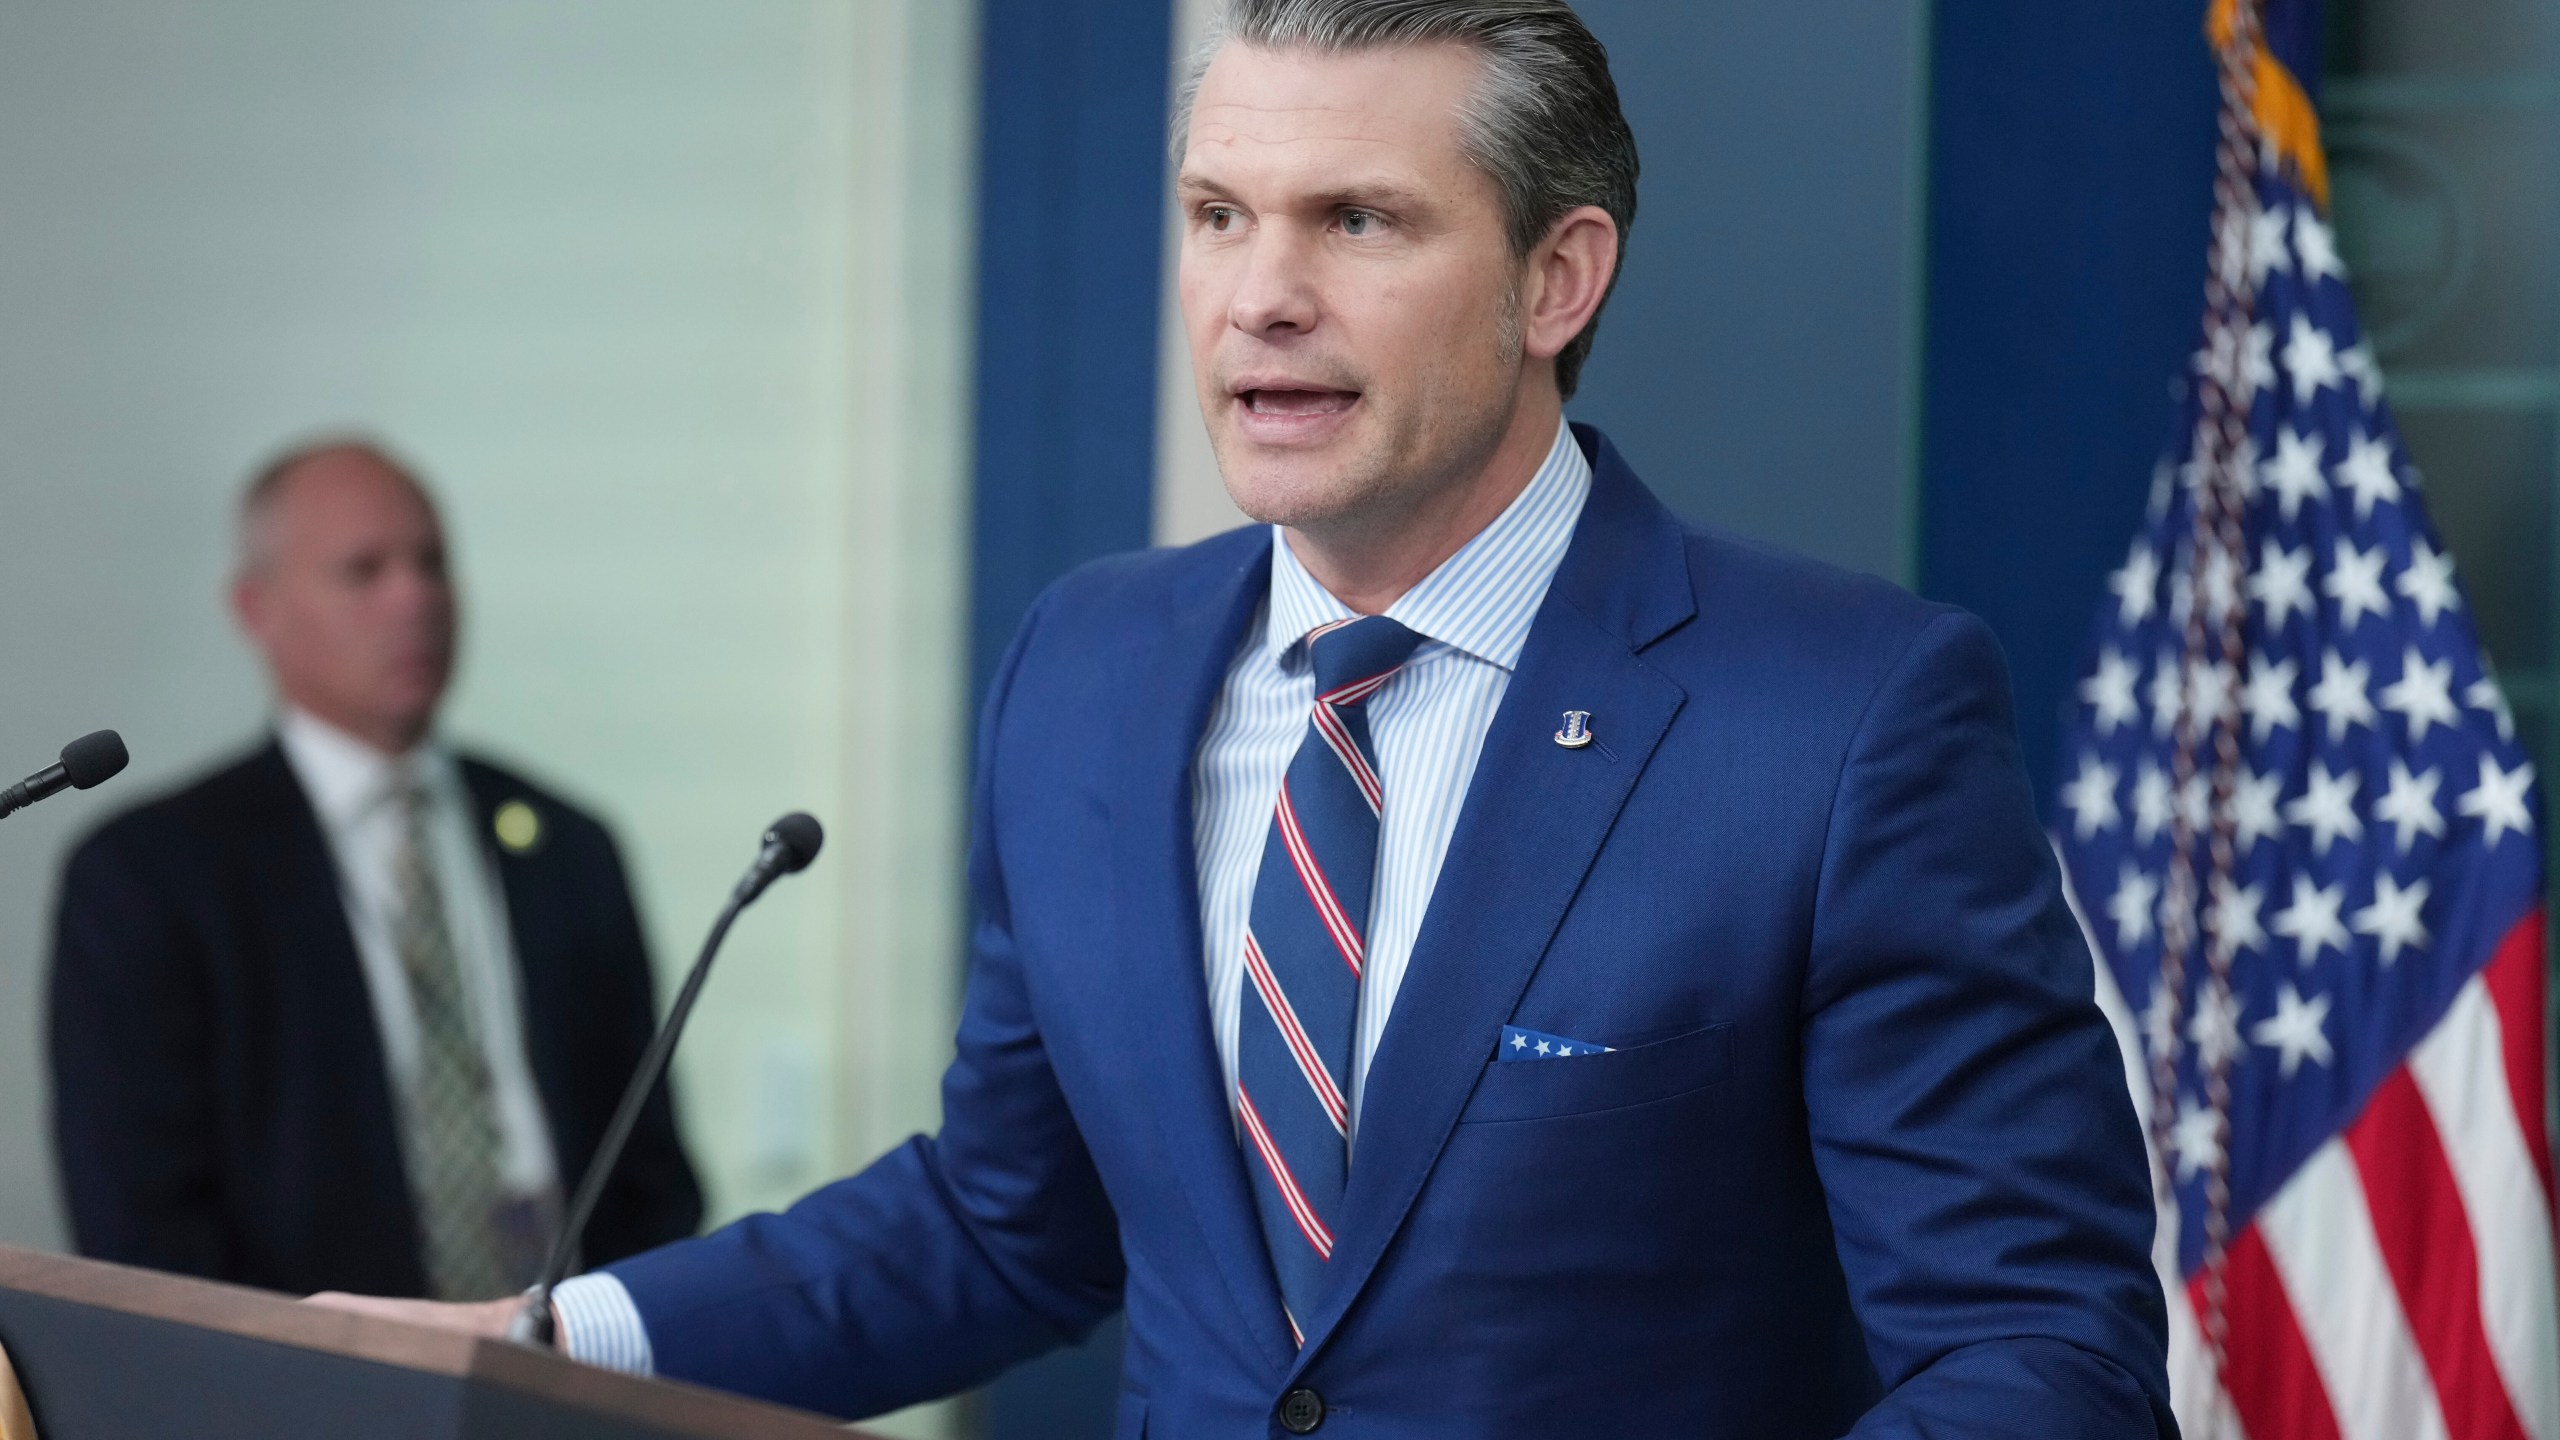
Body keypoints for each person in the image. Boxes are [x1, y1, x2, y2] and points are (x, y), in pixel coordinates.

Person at [318, 2, 2175, 1434]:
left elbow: (2034, 1347)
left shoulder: (1843, 716)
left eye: (1358, 219)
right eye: (1219, 215)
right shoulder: (1091, 666)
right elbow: (1004, 1218)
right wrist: (549, 1342)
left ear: (1559, 277)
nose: (1261, 296)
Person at [50, 440, 701, 1301]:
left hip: (570, 1377)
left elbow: (650, 1172)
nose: (416, 599)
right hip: (304, 1396)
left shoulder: (569, 847)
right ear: (256, 609)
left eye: (432, 564)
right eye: (364, 571)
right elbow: (141, 1225)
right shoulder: (151, 877)